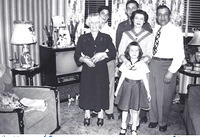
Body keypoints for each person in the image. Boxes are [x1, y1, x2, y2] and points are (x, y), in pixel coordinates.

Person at [74, 13, 116, 127]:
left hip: (101, 69)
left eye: (97, 22)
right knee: (87, 90)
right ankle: (87, 114)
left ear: (100, 23)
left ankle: (100, 114)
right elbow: (77, 54)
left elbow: (113, 53)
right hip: (88, 69)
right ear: (88, 24)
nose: (94, 25)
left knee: (101, 90)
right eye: (91, 22)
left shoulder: (106, 37)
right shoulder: (83, 38)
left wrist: (102, 54)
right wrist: (84, 59)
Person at [148, 5, 185, 132]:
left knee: (164, 96)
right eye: (159, 14)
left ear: (169, 16)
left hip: (167, 65)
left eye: (165, 14)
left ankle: (162, 121)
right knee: (152, 94)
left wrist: (171, 71)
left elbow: (180, 54)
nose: (162, 17)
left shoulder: (176, 31)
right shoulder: (155, 29)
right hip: (153, 63)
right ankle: (153, 118)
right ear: (156, 16)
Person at [117, 9, 154, 126]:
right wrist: (126, 62)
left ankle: (135, 120)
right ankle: (125, 119)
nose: (138, 21)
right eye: (136, 18)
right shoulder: (126, 34)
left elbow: (149, 53)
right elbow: (121, 52)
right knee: (127, 95)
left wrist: (140, 63)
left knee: (138, 96)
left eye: (141, 19)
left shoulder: (149, 35)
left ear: (144, 22)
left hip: (141, 68)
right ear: (132, 19)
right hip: (127, 67)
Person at [115, 42, 151, 135]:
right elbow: (121, 78)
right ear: (128, 51)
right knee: (125, 109)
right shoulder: (125, 64)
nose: (134, 52)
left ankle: (134, 128)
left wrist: (148, 92)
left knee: (135, 110)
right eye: (132, 50)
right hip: (126, 87)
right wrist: (117, 90)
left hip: (137, 88)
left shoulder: (142, 65)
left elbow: (145, 79)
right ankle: (123, 126)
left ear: (139, 52)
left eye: (136, 50)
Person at [97, 5, 116, 120]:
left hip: (108, 60)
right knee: (96, 84)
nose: (104, 16)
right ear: (98, 14)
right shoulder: (91, 28)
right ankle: (96, 108)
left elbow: (112, 48)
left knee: (109, 85)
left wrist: (103, 55)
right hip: (94, 61)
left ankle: (109, 110)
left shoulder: (111, 31)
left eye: (107, 14)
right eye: (102, 13)